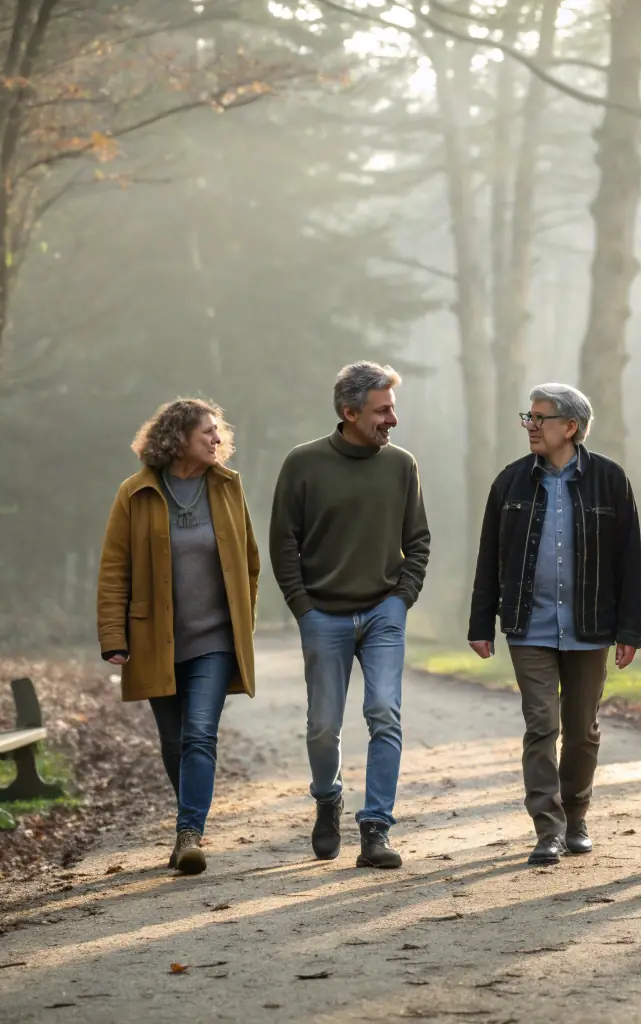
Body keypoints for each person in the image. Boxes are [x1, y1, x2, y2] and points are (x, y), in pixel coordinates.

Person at [467, 383, 641, 867]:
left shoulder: (610, 480)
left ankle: (577, 816)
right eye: (528, 416)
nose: (530, 425)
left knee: (582, 729)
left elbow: (631, 561)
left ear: (571, 427)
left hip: (590, 627)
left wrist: (631, 629)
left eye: (539, 418)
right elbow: (490, 558)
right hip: (529, 624)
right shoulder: (510, 483)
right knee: (541, 725)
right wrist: (480, 621)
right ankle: (547, 828)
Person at [269, 361, 430, 869]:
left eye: (393, 410)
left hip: (383, 610)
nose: (392, 421)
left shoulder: (401, 465)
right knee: (323, 725)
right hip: (324, 614)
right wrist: (303, 608)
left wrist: (401, 598)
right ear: (349, 412)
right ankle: (327, 798)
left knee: (384, 713)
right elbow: (282, 542)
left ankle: (376, 827)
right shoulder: (303, 463)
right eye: (383, 411)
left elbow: (418, 541)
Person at [96, 398, 260, 876]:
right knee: (173, 741)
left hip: (214, 638)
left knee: (199, 734)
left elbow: (249, 562)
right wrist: (113, 635)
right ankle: (189, 818)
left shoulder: (228, 488)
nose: (216, 439)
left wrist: (240, 623)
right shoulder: (136, 493)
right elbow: (113, 570)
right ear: (178, 438)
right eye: (206, 432)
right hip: (155, 639)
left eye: (218, 432)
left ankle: (189, 833)